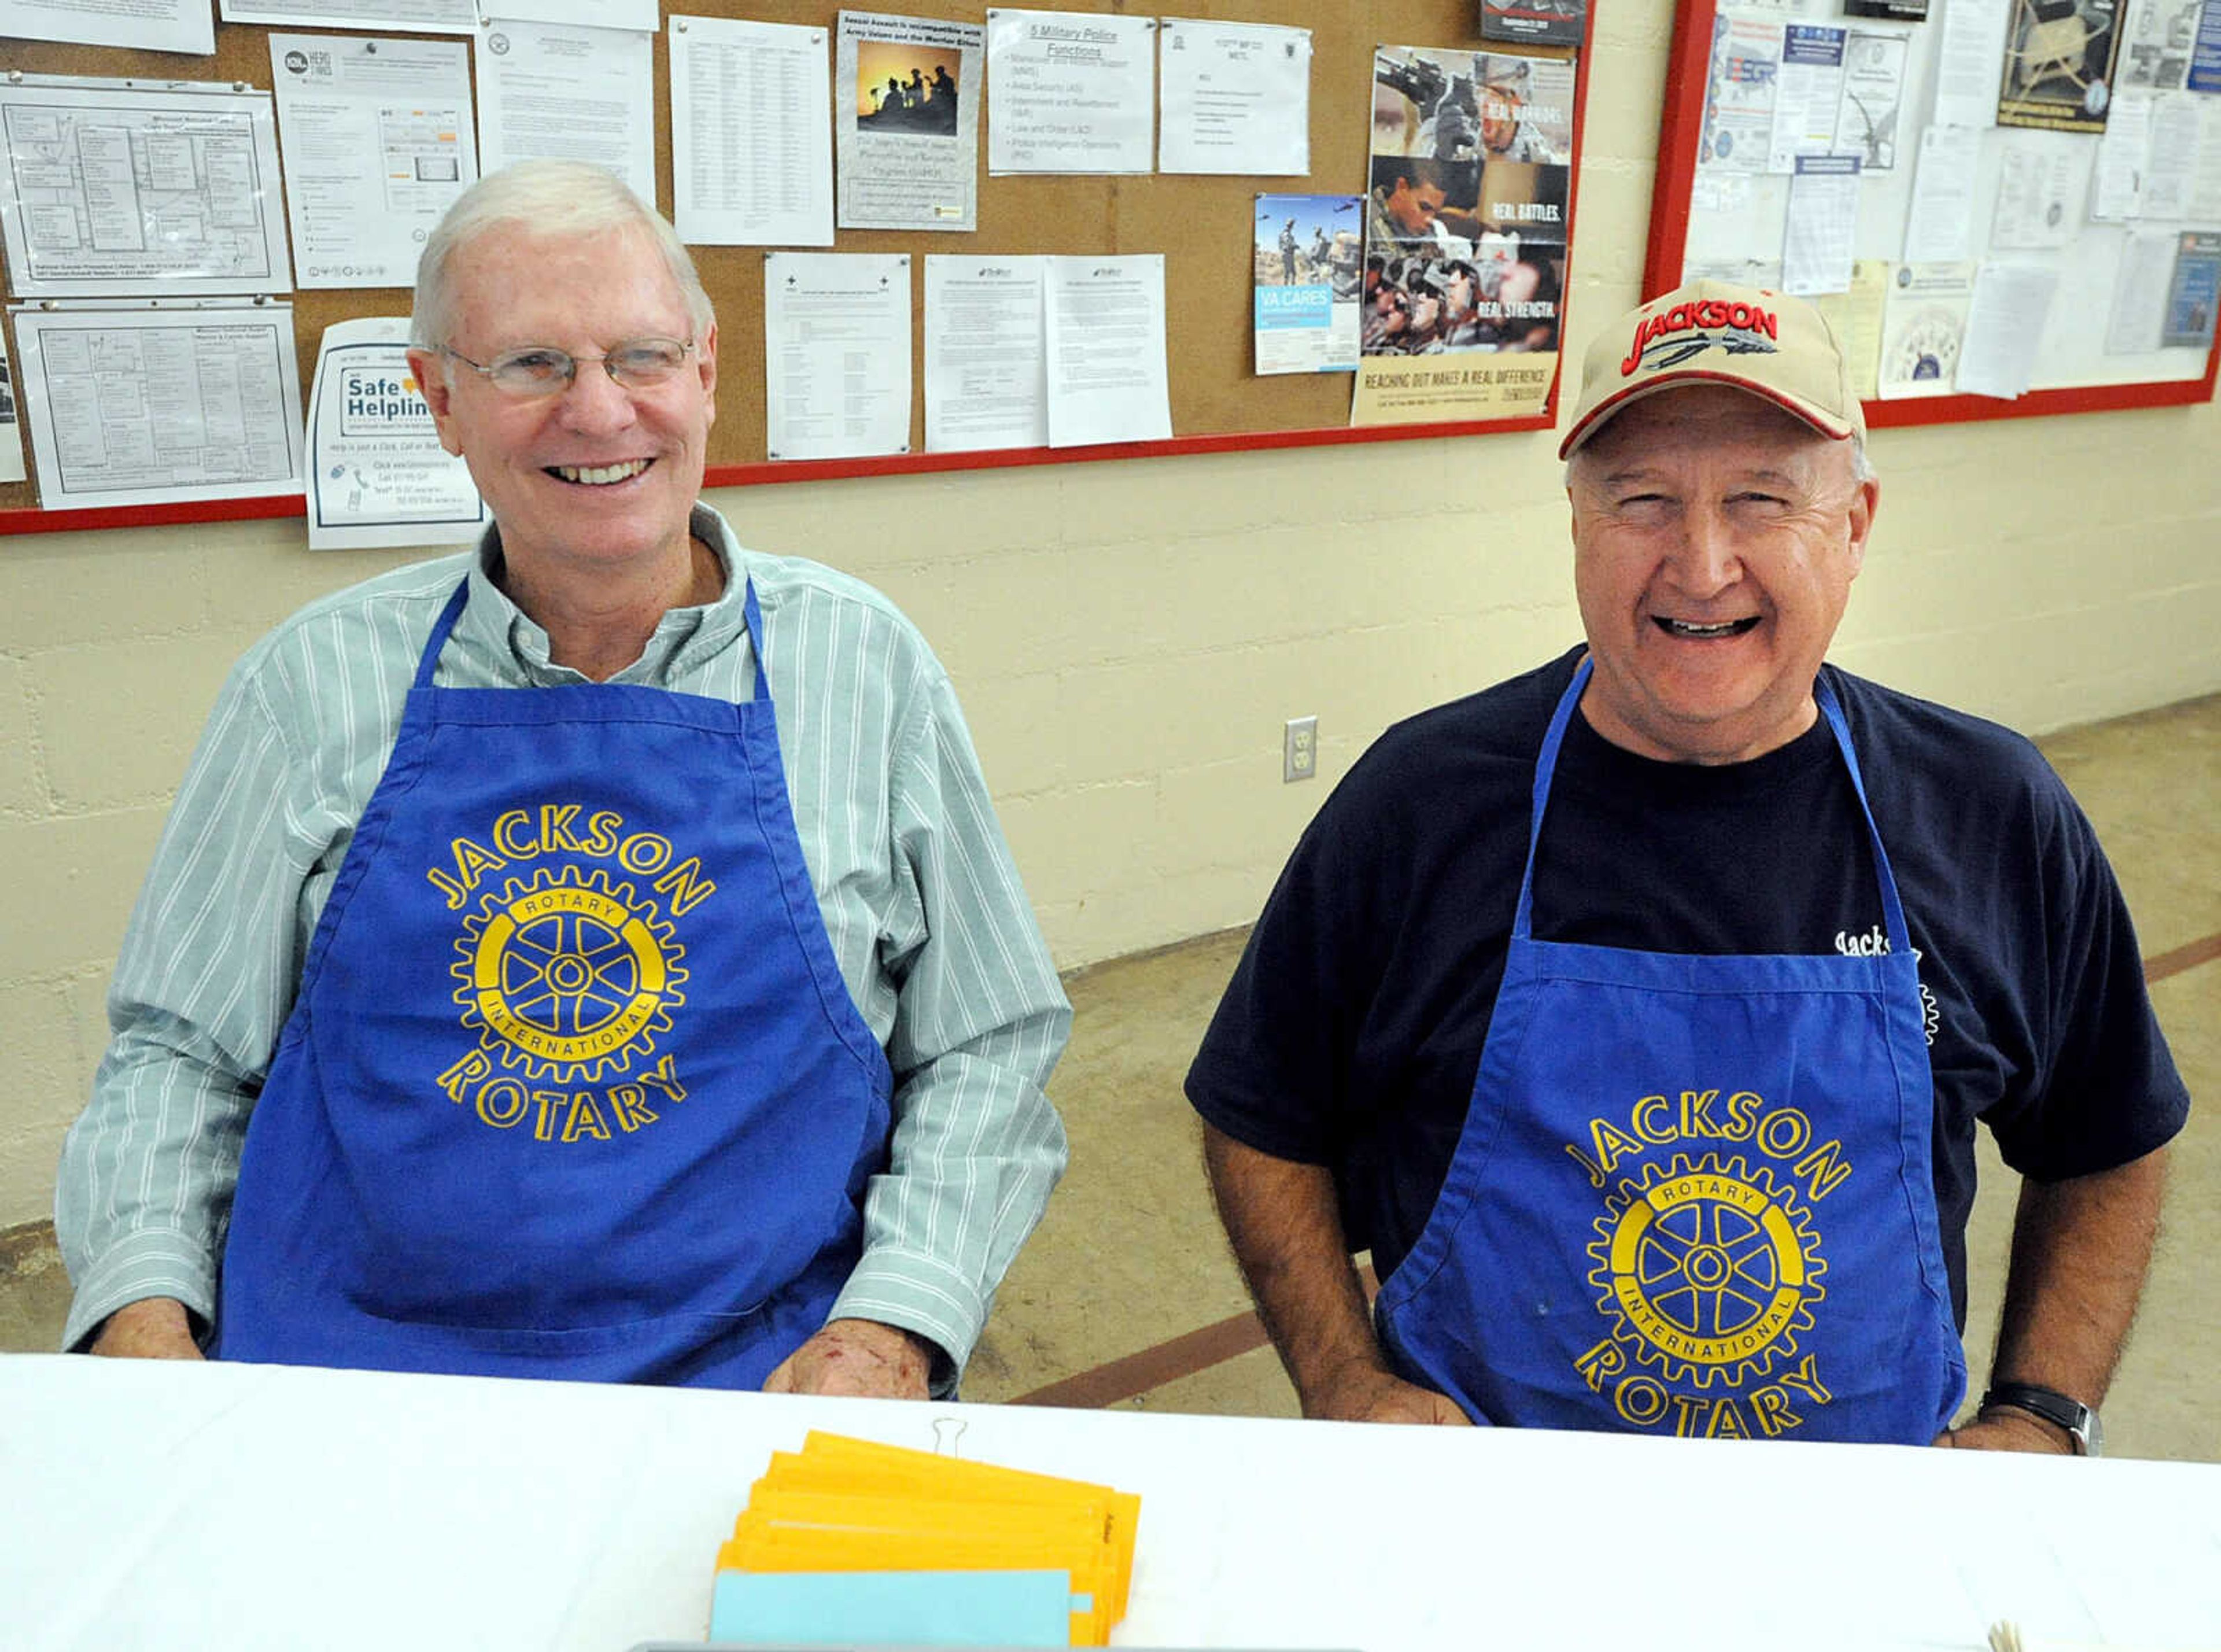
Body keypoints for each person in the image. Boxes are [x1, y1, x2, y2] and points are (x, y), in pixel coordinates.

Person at [55, 160, 1071, 1402]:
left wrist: (891, 1330)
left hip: (769, 1373)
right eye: (532, 365)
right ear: (438, 401)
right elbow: (178, 1057)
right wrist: (143, 1322)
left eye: (640, 356)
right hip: (344, 1378)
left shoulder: (866, 669)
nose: (600, 414)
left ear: (705, 371)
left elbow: (987, 1044)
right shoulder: (306, 686)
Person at [1188, 280, 2185, 1451]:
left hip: (1863, 1547)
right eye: (1643, 500)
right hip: (1482, 1538)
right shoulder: (1421, 806)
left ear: (1856, 525)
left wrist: (2042, 1412)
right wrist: (1344, 1380)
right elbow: (1261, 1114)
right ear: (1577, 528)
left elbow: (2112, 1138)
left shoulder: (1991, 813)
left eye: (1761, 500)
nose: (1701, 566)